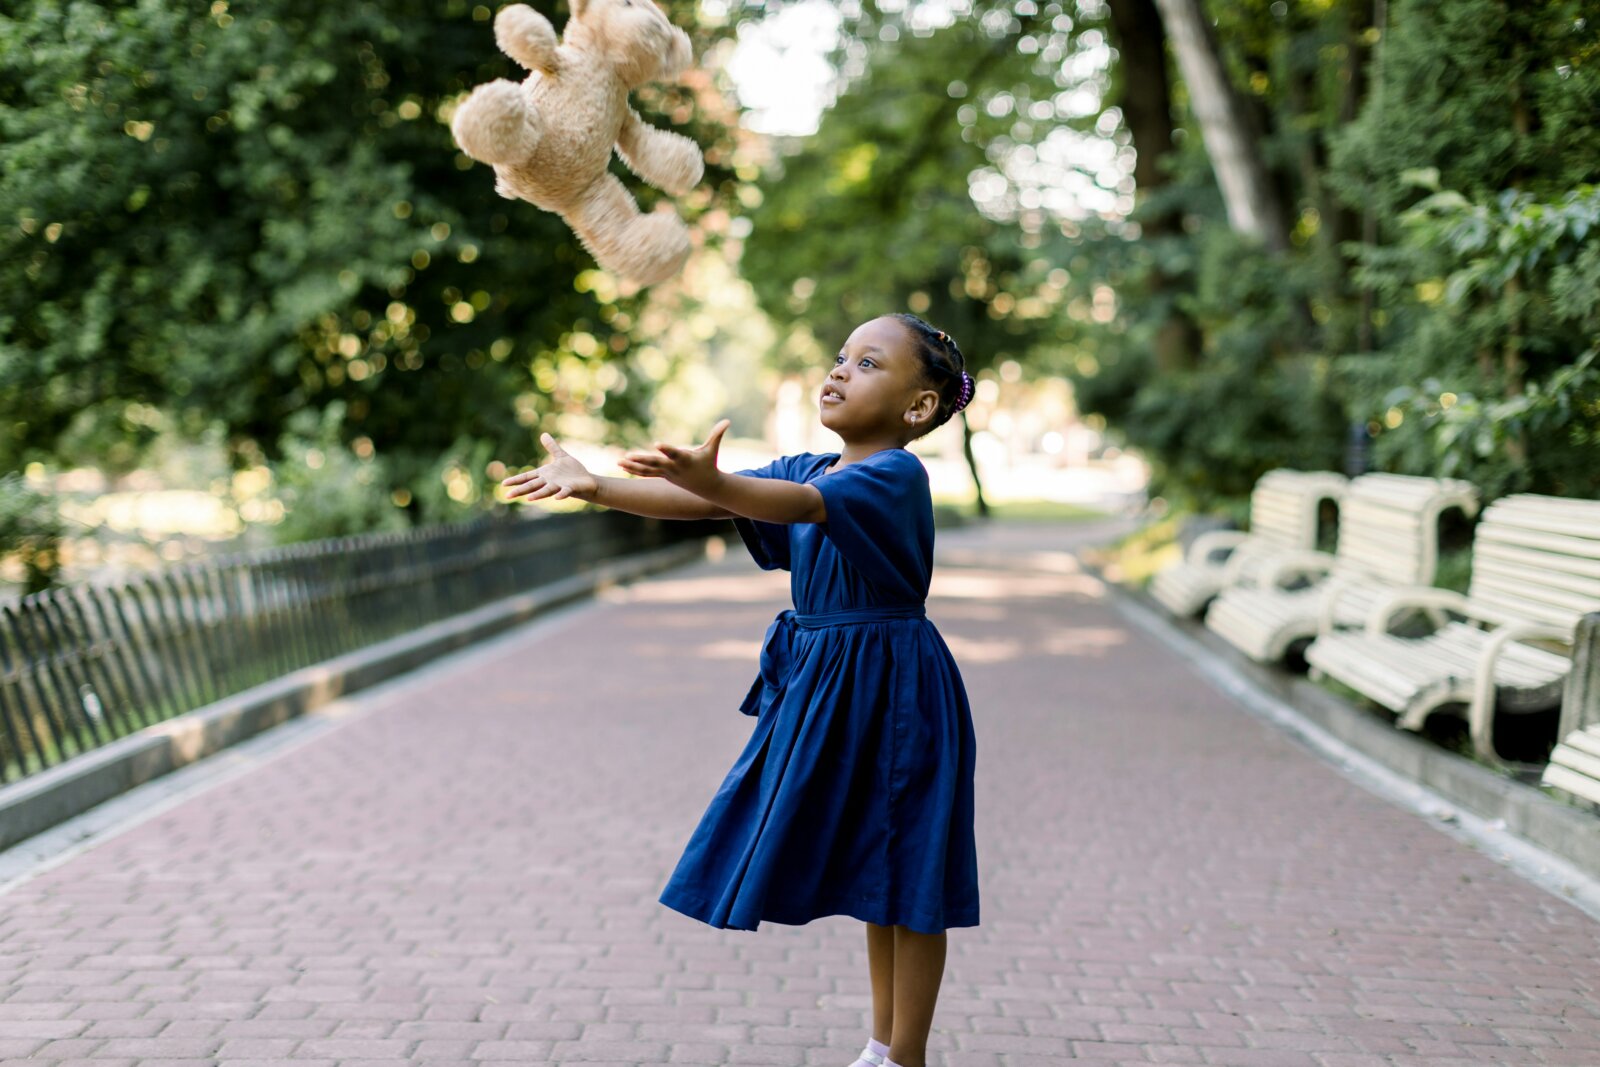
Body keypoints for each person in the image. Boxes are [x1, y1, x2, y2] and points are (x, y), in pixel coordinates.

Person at [500, 312, 979, 1067]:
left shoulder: (893, 474)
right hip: (832, 685)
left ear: (919, 407)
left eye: (868, 362)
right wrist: (595, 486)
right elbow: (712, 503)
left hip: (896, 692)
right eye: (840, 355)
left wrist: (717, 479)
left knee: (910, 870)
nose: (841, 369)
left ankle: (905, 1056)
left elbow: (787, 507)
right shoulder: (813, 467)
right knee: (879, 863)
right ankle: (880, 1046)